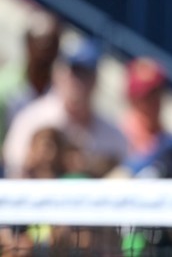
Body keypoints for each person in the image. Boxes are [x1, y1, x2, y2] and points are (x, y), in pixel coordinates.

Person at [2, 38, 128, 179]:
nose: (77, 82)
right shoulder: (31, 120)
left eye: (85, 73)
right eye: (73, 71)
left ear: (95, 79)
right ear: (58, 74)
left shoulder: (112, 134)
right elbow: (13, 173)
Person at [0, 9, 62, 150]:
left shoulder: (62, 92)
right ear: (28, 43)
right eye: (42, 43)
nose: (46, 52)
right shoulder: (4, 85)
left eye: (52, 44)